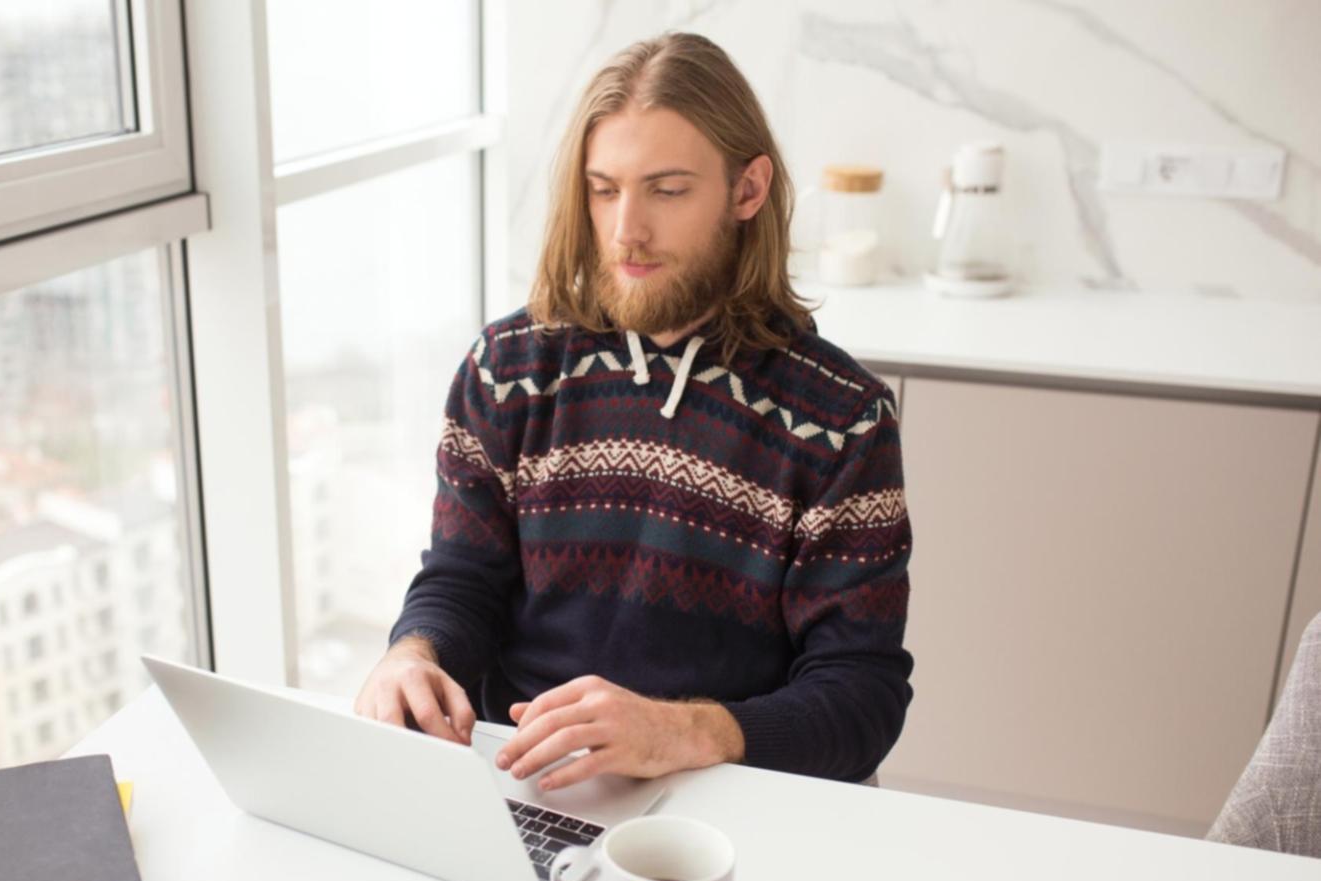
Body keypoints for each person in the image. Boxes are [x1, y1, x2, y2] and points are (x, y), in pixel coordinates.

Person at [354, 32, 913, 791]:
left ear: (747, 191)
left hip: (728, 795)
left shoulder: (841, 420)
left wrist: (683, 731)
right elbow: (462, 579)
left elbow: (860, 696)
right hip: (528, 781)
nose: (625, 231)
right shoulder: (507, 369)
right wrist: (412, 652)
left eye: (667, 189)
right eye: (603, 188)